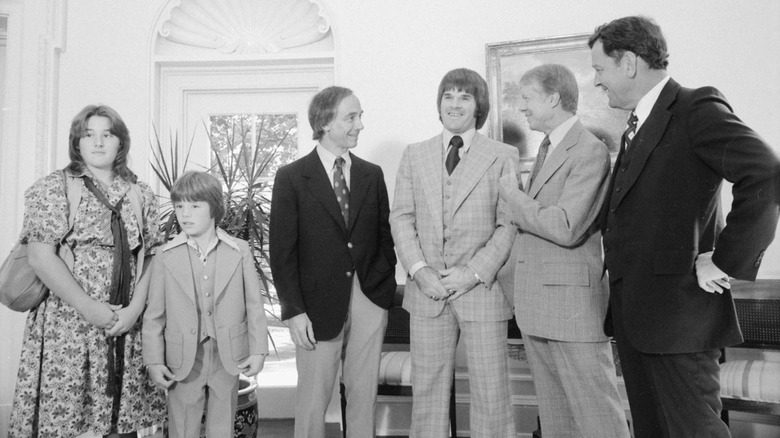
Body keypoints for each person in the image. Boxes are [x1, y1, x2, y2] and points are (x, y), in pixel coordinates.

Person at [589, 16, 780, 438]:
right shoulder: (637, 125)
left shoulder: (695, 107)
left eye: (600, 69)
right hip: (638, 319)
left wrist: (726, 260)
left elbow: (766, 171)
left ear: (630, 63)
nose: (596, 81)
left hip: (680, 319)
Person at [9, 105, 166, 438]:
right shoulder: (54, 187)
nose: (98, 143)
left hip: (124, 322)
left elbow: (152, 257)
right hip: (68, 324)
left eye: (107, 134)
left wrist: (135, 310)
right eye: (88, 134)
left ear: (120, 142)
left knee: (121, 422)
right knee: (66, 422)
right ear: (76, 143)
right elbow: (40, 257)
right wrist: (89, 308)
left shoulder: (141, 194)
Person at [498, 63, 629, 438]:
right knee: (558, 423)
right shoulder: (548, 149)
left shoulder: (588, 150)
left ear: (553, 98)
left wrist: (511, 197)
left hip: (572, 310)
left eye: (527, 98)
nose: (522, 107)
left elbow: (566, 226)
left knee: (598, 419)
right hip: (537, 306)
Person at [390, 68, 518, 437]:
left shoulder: (502, 155)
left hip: (482, 291)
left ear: (480, 106)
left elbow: (508, 224)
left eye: (464, 96)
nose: (455, 104)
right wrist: (419, 270)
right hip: (426, 292)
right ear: (439, 104)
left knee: (491, 393)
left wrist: (473, 272)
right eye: (448, 96)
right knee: (428, 394)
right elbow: (401, 218)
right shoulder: (415, 155)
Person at [269, 86, 397, 438]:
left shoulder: (372, 175)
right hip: (314, 306)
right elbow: (281, 252)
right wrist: (293, 311)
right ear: (325, 122)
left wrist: (384, 288)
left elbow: (384, 236)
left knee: (363, 396)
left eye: (360, 116)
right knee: (312, 401)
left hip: (370, 297)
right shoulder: (292, 177)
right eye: (351, 117)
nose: (360, 125)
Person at [142, 170, 268, 437]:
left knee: (223, 424)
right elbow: (154, 315)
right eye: (179, 206)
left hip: (228, 353)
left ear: (214, 209)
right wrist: (153, 360)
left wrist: (258, 351)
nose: (185, 214)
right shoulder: (165, 256)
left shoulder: (240, 250)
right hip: (183, 356)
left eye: (195, 206)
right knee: (183, 425)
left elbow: (254, 305)